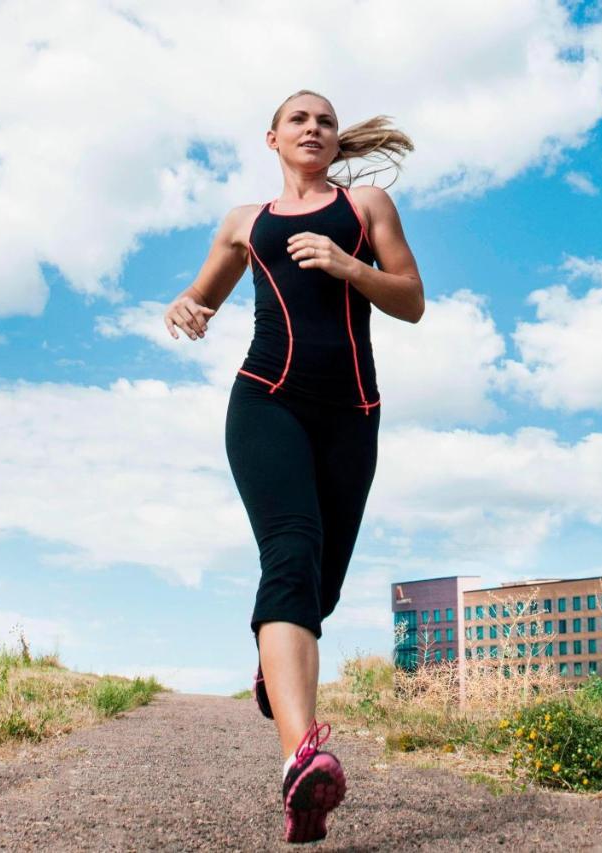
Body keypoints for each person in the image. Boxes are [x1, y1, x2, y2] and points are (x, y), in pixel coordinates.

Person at [163, 89, 423, 844]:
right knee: (291, 551)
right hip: (265, 399)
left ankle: (275, 671)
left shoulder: (365, 206)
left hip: (353, 413)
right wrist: (186, 306)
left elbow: (411, 300)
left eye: (326, 121)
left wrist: (350, 266)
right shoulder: (246, 223)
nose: (313, 128)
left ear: (337, 141)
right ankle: (300, 759)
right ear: (272, 138)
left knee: (320, 585)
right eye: (299, 120)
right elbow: (199, 294)